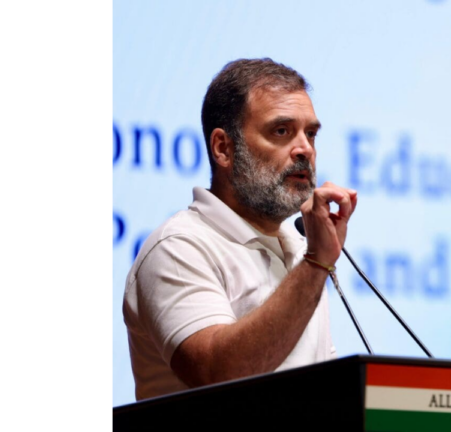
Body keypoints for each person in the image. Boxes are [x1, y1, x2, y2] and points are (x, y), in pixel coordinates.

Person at [123, 58, 357, 400]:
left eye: (310, 133)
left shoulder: (299, 251)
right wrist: (316, 264)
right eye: (281, 131)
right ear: (223, 148)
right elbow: (218, 374)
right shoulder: (178, 246)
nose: (305, 149)